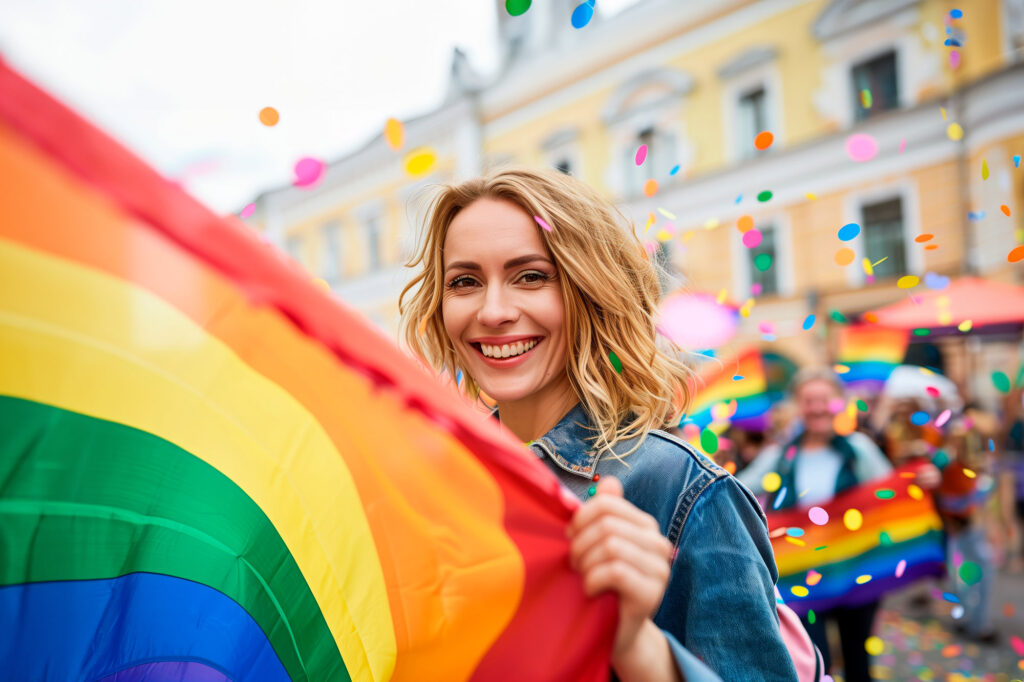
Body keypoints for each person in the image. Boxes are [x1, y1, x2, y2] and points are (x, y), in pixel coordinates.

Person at [399, 167, 798, 681]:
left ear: (589, 289)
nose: (493, 311)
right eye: (465, 282)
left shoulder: (683, 492)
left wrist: (638, 647)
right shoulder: (437, 484)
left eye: (531, 276)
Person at [737, 368, 940, 682]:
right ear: (797, 406)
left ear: (839, 403)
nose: (817, 407)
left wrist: (921, 480)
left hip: (857, 574)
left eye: (824, 400)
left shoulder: (859, 450)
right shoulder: (779, 457)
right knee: (815, 664)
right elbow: (737, 490)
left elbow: (891, 492)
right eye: (808, 400)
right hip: (802, 580)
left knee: (859, 661)